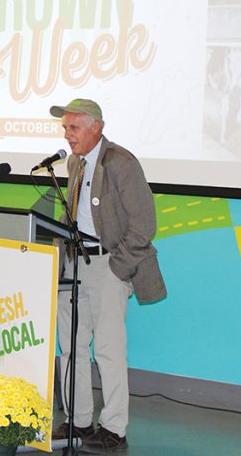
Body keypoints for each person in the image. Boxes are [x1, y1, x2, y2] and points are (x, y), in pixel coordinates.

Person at [49, 99, 166, 453]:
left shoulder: (121, 162)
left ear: (95, 127)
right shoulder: (74, 162)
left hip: (108, 264)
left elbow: (144, 223)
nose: (67, 135)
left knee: (108, 349)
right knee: (71, 345)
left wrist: (118, 266)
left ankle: (114, 429)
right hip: (74, 263)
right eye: (65, 128)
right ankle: (79, 419)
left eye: (73, 128)